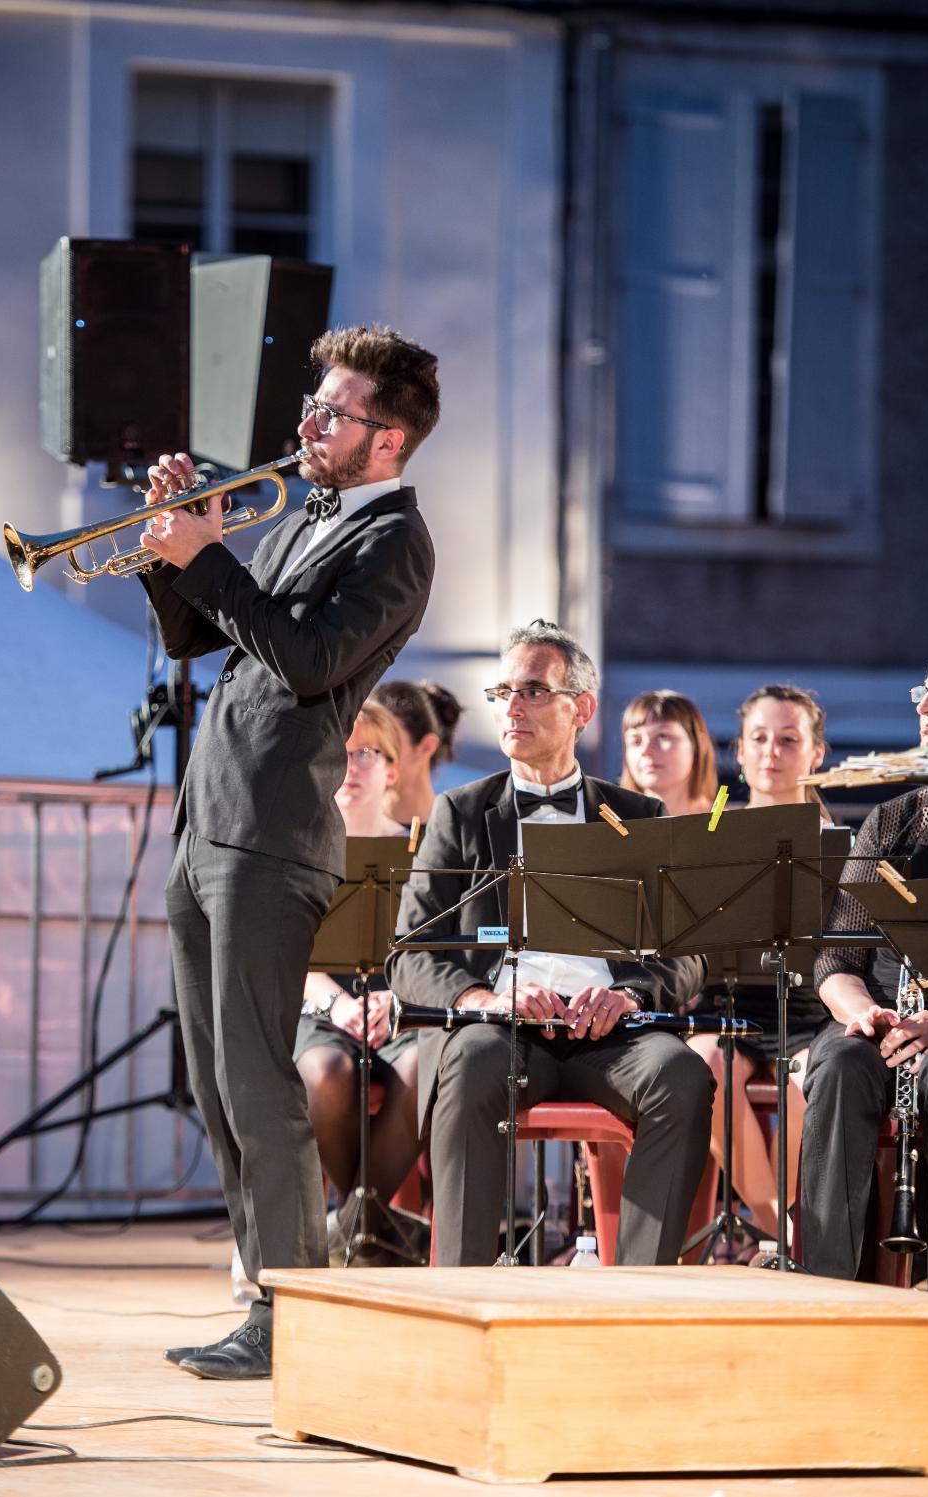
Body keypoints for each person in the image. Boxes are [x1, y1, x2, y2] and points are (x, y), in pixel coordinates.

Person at [138, 324, 439, 1378]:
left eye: (333, 412)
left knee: (260, 1081)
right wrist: (172, 549)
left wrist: (211, 559)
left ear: (387, 439)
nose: (308, 424)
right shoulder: (310, 514)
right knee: (217, 1083)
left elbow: (309, 662)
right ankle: (265, 1293)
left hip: (271, 832)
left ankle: (287, 1310)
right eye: (313, 406)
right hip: (209, 818)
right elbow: (196, 637)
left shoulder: (395, 542)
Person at [385, 620, 712, 1266]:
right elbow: (410, 953)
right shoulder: (459, 812)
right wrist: (484, 998)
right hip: (501, 1033)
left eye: (533, 690)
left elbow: (688, 954)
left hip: (613, 1036)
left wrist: (628, 994)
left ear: (581, 709)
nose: (513, 706)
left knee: (683, 1076)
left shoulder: (639, 816)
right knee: (470, 1061)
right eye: (503, 691)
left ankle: (640, 1292)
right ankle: (463, 1291)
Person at [799, 664, 928, 1279]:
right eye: (923, 694)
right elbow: (836, 957)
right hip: (884, 1014)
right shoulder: (894, 819)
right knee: (839, 1065)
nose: (925, 708)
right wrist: (862, 1013)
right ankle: (829, 1286)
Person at [686, 684, 830, 1245]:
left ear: (816, 753)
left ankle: (779, 1235)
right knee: (704, 1065)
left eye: (789, 739)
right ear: (740, 752)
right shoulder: (713, 829)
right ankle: (780, 1233)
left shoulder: (836, 840)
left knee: (808, 1079)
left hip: (808, 1010)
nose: (772, 751)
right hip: (727, 1004)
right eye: (759, 738)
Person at [295, 700, 421, 1249]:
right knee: (327, 1071)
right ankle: (368, 1226)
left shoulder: (422, 848)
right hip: (321, 1006)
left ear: (392, 770)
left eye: (366, 752)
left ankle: (352, 1225)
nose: (350, 765)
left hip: (404, 1007)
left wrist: (394, 999)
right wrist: (338, 1005)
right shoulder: (298, 849)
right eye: (339, 752)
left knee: (426, 1068)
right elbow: (290, 954)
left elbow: (437, 949)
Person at [371, 679, 463, 827]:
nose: (370, 756)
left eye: (387, 742)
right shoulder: (345, 827)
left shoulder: (460, 831)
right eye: (364, 747)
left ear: (427, 746)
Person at [620, 689, 718, 817]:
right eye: (636, 741)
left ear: (700, 744)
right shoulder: (606, 825)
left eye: (663, 736)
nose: (646, 750)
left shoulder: (729, 824)